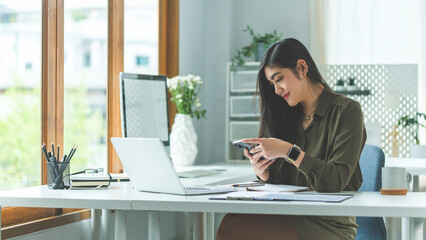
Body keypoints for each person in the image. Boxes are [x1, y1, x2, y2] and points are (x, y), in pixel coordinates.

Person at [216, 38, 366, 240]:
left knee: (233, 228)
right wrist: (264, 173)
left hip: (329, 224)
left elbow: (334, 181)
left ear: (302, 68)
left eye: (279, 79)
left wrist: (288, 151)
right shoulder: (286, 115)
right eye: (272, 84)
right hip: (288, 213)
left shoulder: (347, 111)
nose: (276, 90)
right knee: (231, 221)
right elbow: (286, 183)